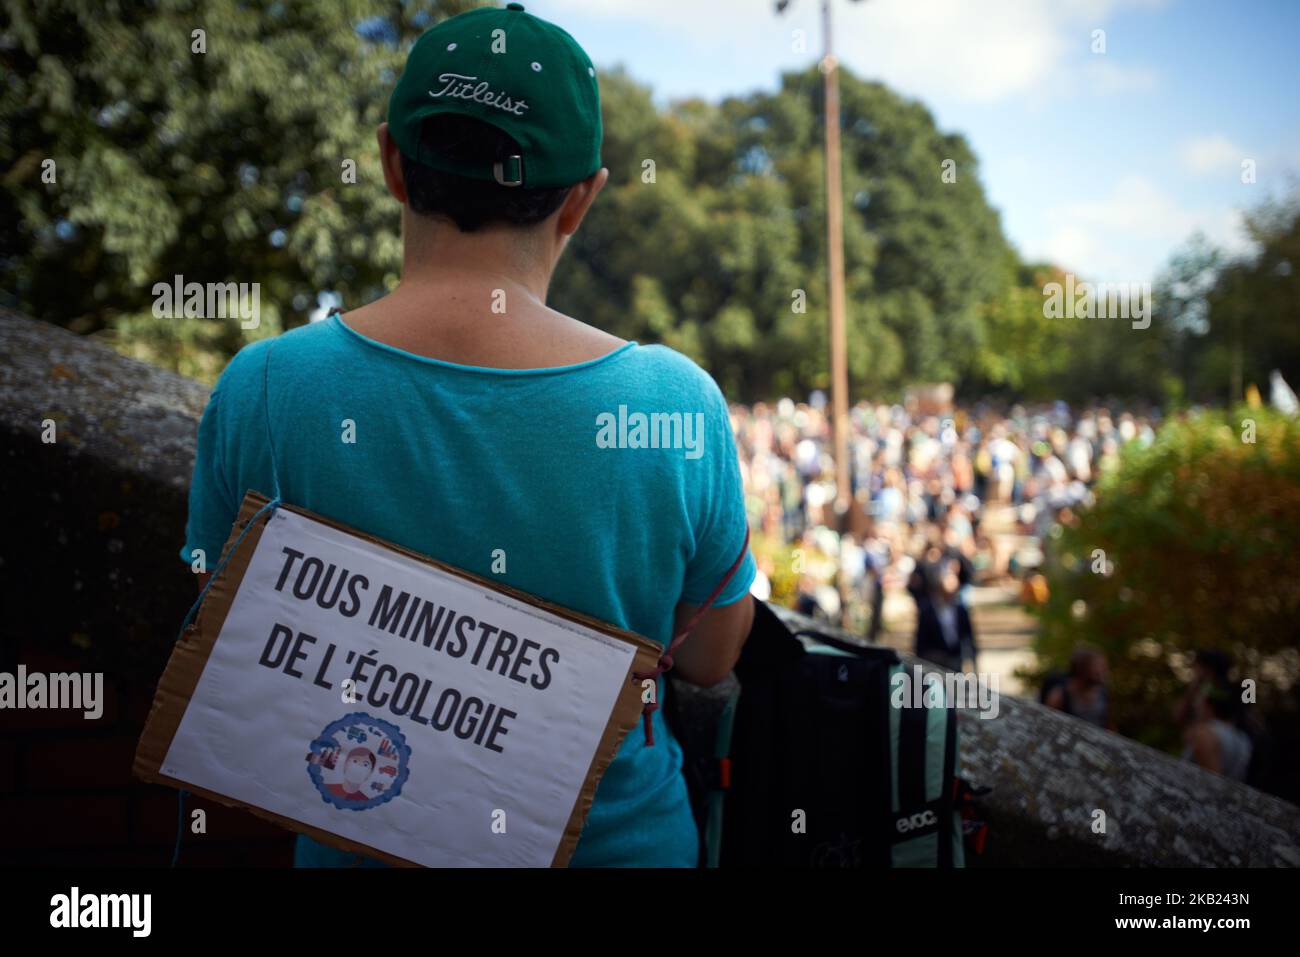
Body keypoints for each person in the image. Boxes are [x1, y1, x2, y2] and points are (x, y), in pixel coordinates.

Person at [181, 4, 755, 868]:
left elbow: (218, 641)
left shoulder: (265, 385)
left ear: (391, 164)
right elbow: (712, 656)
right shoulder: (675, 402)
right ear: (582, 197)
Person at [1041, 645, 1110, 729]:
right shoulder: (1060, 695)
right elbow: (1047, 723)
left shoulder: (1102, 692)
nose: (1103, 670)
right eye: (1098, 666)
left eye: (1103, 666)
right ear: (1082, 668)